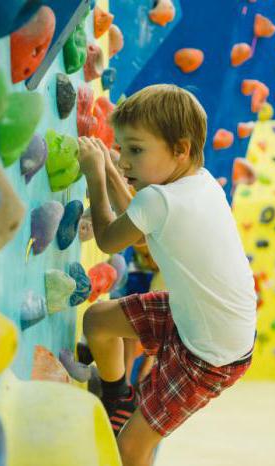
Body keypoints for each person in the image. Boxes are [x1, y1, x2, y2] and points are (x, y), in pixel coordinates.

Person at [76, 84, 257, 466]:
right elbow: (141, 226)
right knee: (98, 321)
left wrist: (95, 175)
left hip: (209, 355)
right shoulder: (199, 182)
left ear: (181, 149)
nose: (125, 161)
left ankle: (120, 409)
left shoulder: (159, 199)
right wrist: (111, 170)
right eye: (122, 150)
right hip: (207, 322)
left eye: (136, 150)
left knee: (131, 447)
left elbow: (111, 239)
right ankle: (117, 399)